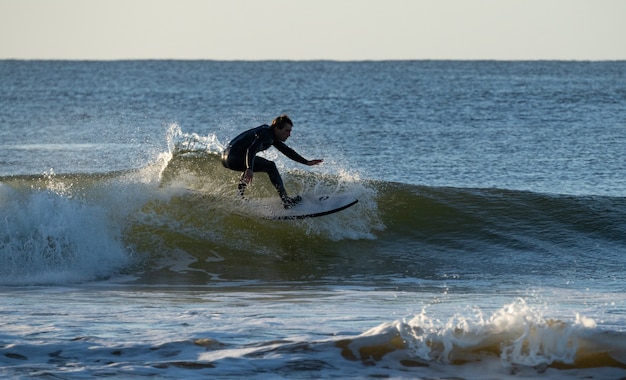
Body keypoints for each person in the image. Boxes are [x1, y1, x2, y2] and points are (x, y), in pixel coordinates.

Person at [221, 114, 323, 208]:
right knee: (270, 166)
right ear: (278, 128)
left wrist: (306, 162)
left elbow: (286, 150)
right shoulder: (267, 135)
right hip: (234, 157)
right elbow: (251, 149)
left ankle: (239, 196)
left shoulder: (269, 134)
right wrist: (249, 168)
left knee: (251, 162)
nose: (289, 134)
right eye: (287, 131)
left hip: (226, 157)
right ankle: (286, 200)